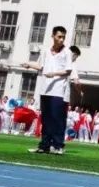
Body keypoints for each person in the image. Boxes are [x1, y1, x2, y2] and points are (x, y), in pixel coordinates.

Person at [23, 26, 73, 155]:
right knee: (46, 119)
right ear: (53, 36)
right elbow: (41, 66)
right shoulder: (46, 51)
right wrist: (29, 64)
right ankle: (44, 145)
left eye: (63, 37)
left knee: (57, 119)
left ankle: (57, 145)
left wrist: (54, 74)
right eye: (59, 37)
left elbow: (68, 71)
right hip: (45, 89)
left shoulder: (67, 52)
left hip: (58, 91)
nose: (61, 39)